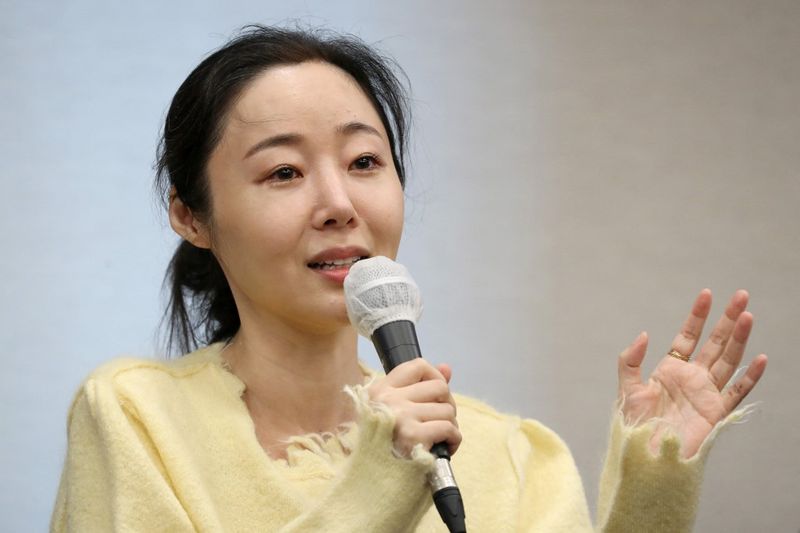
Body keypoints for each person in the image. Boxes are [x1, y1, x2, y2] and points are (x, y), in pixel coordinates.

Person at [51, 25, 767, 532]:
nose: (339, 203)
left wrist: (656, 491)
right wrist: (379, 482)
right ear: (191, 216)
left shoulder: (508, 453)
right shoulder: (135, 420)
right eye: (284, 172)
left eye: (364, 162)